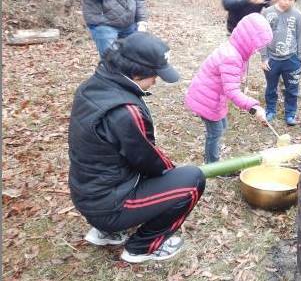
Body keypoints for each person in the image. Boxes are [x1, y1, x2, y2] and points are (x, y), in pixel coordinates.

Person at [68, 32, 205, 263]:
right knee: (192, 180)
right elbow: (150, 161)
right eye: (155, 75)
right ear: (137, 72)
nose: (156, 81)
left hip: (86, 195)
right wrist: (173, 176)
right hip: (109, 205)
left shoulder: (92, 87)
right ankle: (142, 247)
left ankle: (107, 233)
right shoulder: (125, 111)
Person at [185, 13, 271, 164]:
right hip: (206, 98)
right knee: (215, 132)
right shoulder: (231, 57)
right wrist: (254, 108)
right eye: (256, 46)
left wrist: (241, 75)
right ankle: (212, 165)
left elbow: (238, 67)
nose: (257, 50)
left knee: (222, 125)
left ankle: (213, 157)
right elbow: (232, 92)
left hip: (213, 95)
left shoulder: (235, 49)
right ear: (248, 40)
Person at [260, 0, 301, 126]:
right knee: (271, 87)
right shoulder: (267, 13)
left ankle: (290, 113)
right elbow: (262, 37)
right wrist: (264, 57)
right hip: (272, 58)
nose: (287, 2)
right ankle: (270, 110)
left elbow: (300, 36)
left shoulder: (297, 15)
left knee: (292, 88)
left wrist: (299, 57)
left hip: (291, 59)